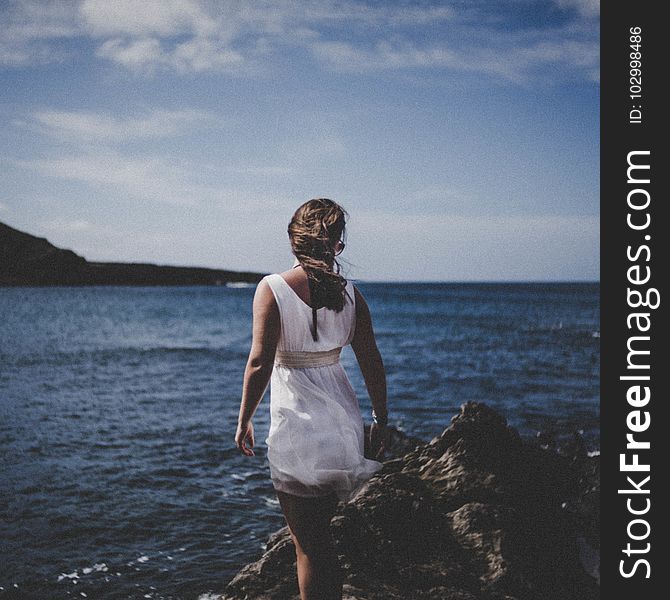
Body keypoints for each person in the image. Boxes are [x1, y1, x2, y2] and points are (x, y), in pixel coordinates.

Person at [235, 198, 390, 600]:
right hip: (341, 423)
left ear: (293, 240)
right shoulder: (352, 295)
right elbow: (371, 360)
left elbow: (258, 363)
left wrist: (244, 420)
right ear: (337, 244)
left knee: (309, 546)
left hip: (296, 427)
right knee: (322, 543)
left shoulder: (271, 289)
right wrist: (381, 418)